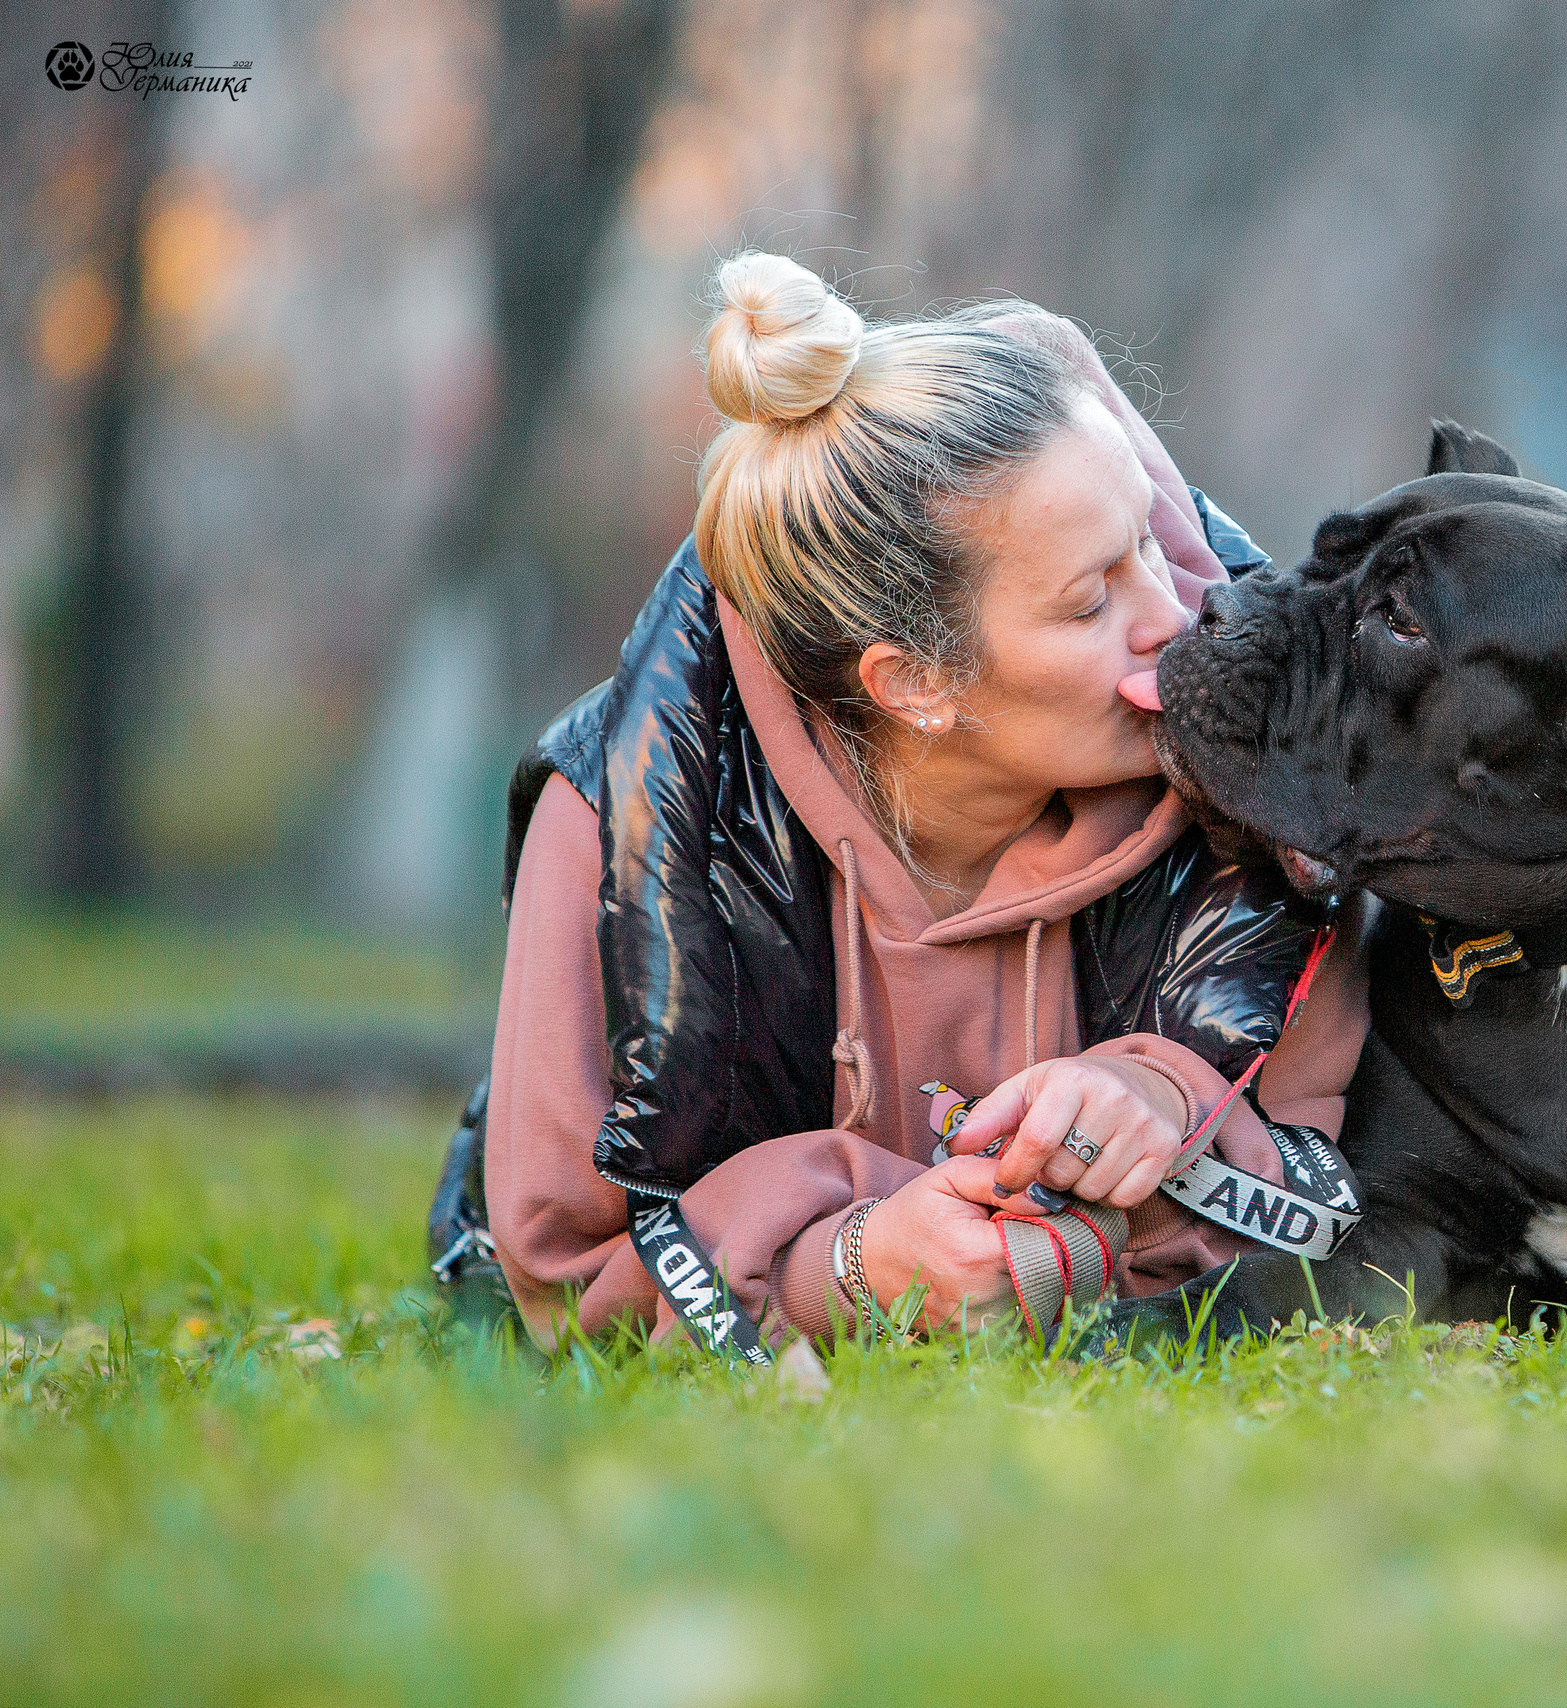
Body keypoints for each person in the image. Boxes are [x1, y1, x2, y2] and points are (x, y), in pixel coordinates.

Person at [450, 250, 1367, 1351]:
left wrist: (1164, 1103)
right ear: (915, 684)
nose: (1173, 615)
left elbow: (1341, 1192)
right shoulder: (615, 823)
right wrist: (848, 1262)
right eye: (1090, 601)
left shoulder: (1271, 796)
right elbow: (563, 1276)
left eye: (1146, 545)